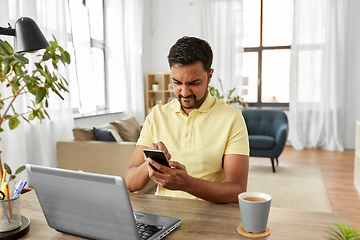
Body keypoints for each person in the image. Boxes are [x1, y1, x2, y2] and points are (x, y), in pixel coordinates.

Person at [125, 36, 249, 203]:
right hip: (164, 216)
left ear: (210, 76)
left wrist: (187, 184)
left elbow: (237, 191)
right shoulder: (156, 115)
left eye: (194, 83)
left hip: (211, 217)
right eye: (177, 82)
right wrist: (150, 164)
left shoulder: (232, 119)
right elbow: (130, 183)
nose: (184, 92)